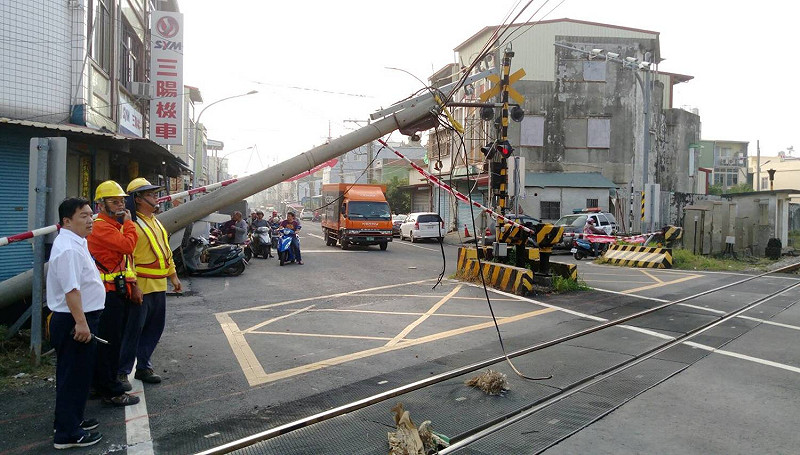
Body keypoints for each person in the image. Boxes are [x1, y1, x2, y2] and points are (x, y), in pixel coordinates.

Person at [47, 197, 105, 449]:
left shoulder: (75, 242)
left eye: (91, 215)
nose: (90, 220)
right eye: (84, 216)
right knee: (73, 376)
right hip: (74, 320)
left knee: (77, 375)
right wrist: (81, 323)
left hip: (79, 317)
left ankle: (71, 420)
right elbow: (71, 290)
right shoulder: (69, 249)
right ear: (67, 221)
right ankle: (68, 434)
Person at [118, 178, 182, 387]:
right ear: (137, 199)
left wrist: (173, 276)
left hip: (158, 285)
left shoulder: (155, 221)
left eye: (155, 194)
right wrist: (133, 285)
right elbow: (126, 258)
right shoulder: (130, 225)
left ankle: (143, 367)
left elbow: (165, 251)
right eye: (151, 194)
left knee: (154, 329)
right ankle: (122, 372)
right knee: (132, 331)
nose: (156, 197)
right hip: (141, 287)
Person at [86, 181, 141, 406]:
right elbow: (128, 246)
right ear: (101, 205)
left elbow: (125, 261)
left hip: (115, 291)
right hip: (106, 295)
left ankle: (99, 385)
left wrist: (132, 285)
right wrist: (129, 223)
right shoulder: (102, 226)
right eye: (114, 201)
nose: (120, 205)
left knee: (109, 341)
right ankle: (111, 391)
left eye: (122, 201)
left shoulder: (112, 225)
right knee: (110, 343)